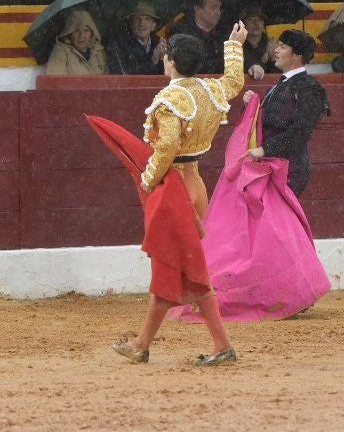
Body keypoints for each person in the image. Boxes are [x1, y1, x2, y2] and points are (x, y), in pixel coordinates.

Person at [105, 27, 247, 367]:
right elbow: (234, 82)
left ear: (170, 61)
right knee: (183, 265)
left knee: (174, 265)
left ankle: (158, 345)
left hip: (174, 188)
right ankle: (145, 344)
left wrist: (148, 178)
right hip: (196, 183)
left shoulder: (171, 100)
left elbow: (166, 146)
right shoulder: (210, 90)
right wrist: (233, 46)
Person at [254, 27, 330, 198]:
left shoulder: (309, 87)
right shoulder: (280, 84)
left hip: (289, 168)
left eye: (282, 46)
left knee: (276, 219)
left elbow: (301, 131)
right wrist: (251, 105)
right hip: (271, 164)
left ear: (296, 55)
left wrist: (265, 149)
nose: (276, 50)